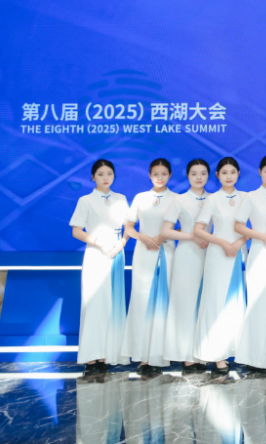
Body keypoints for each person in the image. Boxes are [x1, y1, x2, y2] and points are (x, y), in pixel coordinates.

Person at [71, 159, 131, 374]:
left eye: (109, 174)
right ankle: (91, 357)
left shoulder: (121, 199)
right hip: (96, 255)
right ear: (93, 177)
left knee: (112, 305)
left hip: (116, 254)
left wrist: (121, 244)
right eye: (101, 174)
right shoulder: (85, 200)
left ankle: (106, 355)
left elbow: (129, 227)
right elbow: (76, 231)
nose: (106, 178)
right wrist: (100, 243)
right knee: (95, 304)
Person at [192, 157, 248, 372]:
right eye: (224, 173)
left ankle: (233, 349)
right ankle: (216, 355)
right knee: (215, 302)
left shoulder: (246, 197)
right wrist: (223, 243)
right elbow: (198, 230)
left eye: (232, 172)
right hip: (217, 255)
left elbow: (253, 228)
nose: (229, 176)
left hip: (238, 254)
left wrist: (239, 243)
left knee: (235, 303)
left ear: (239, 173)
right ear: (217, 175)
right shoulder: (212, 199)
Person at [122, 158, 175, 373]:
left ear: (170, 175)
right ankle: (143, 356)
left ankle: (159, 356)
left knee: (163, 302)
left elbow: (185, 227)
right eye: (155, 174)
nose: (159, 178)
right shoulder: (140, 198)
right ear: (149, 175)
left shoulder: (177, 199)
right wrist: (143, 238)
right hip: (143, 252)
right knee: (142, 301)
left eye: (164, 174)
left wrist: (163, 237)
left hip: (167, 252)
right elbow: (129, 227)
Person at [233, 155, 266, 374]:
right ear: (260, 172)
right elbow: (238, 226)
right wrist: (263, 236)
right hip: (260, 254)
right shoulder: (251, 197)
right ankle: (255, 357)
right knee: (258, 304)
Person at [162, 159, 210, 371]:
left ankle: (204, 352)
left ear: (209, 175)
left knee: (205, 303)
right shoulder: (179, 200)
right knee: (185, 303)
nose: (199, 177)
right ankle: (186, 355)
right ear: (188, 176)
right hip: (187, 255)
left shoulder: (214, 199)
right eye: (194, 173)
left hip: (210, 254)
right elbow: (166, 231)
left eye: (203, 173)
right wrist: (193, 236)